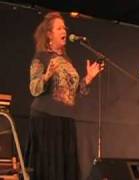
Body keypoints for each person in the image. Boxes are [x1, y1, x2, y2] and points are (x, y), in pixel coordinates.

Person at [24, 12, 104, 180]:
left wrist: (88, 78)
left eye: (65, 28)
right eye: (59, 28)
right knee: (49, 170)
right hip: (46, 120)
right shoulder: (41, 57)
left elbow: (72, 94)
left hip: (65, 121)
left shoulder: (67, 60)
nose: (64, 31)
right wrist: (46, 76)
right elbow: (34, 88)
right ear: (49, 35)